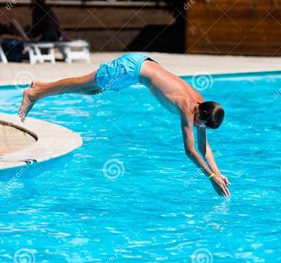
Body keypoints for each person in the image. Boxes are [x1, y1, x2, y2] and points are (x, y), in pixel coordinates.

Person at [18, 53, 231, 196]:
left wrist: (218, 172)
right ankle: (34, 93)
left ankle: (40, 87)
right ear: (200, 114)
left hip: (138, 67)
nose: (199, 129)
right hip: (129, 69)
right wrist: (210, 177)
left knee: (92, 90)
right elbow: (190, 150)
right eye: (201, 125)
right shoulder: (187, 106)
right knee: (83, 84)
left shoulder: (201, 104)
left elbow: (204, 147)